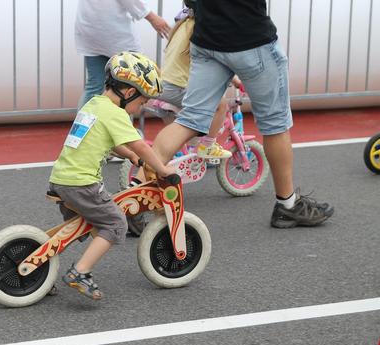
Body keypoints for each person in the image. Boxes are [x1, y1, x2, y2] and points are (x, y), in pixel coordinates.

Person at [142, 0, 334, 228]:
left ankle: (136, 196)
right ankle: (288, 205)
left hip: (206, 39)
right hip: (251, 39)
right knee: (275, 124)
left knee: (188, 119)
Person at [49, 52, 176, 300]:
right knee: (115, 223)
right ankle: (80, 272)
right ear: (129, 93)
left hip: (60, 179)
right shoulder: (116, 114)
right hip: (81, 183)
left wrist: (130, 156)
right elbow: (141, 145)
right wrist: (161, 169)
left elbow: (110, 142)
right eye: (142, 102)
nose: (141, 108)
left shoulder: (94, 104)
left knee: (76, 229)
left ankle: (41, 267)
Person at [152, 5, 242, 159]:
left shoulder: (182, 24)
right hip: (178, 86)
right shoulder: (201, 30)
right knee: (221, 105)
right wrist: (237, 81)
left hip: (164, 85)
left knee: (185, 134)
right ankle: (208, 146)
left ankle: (189, 149)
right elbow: (218, 59)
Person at [75, 0, 171, 110]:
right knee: (130, 86)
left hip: (90, 30)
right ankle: (121, 125)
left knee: (95, 85)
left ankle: (82, 125)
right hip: (114, 33)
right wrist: (153, 17)